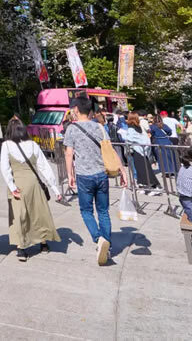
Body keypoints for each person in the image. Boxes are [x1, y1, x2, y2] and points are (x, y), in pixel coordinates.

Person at [63, 96, 127, 265]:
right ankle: (107, 244)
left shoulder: (72, 128)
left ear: (76, 109)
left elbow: (69, 153)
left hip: (84, 175)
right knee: (104, 211)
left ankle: (99, 239)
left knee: (86, 211)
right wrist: (122, 170)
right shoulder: (99, 126)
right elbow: (109, 149)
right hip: (101, 174)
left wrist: (69, 174)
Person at [0, 116, 58, 261]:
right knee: (39, 213)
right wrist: (55, 188)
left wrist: (12, 186)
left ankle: (22, 247)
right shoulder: (33, 145)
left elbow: (5, 168)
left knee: (20, 216)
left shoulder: (6, 145)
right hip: (34, 184)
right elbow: (44, 167)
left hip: (17, 184)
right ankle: (43, 243)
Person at [120, 114, 159, 194]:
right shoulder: (138, 127)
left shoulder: (131, 128)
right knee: (144, 168)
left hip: (137, 150)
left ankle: (153, 187)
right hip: (143, 150)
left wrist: (124, 135)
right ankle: (146, 186)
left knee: (142, 169)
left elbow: (130, 139)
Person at [148, 112, 176, 176]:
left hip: (158, 142)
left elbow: (151, 134)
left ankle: (165, 171)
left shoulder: (152, 126)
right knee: (169, 156)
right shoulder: (164, 125)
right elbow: (170, 132)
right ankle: (172, 170)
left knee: (161, 158)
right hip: (167, 141)